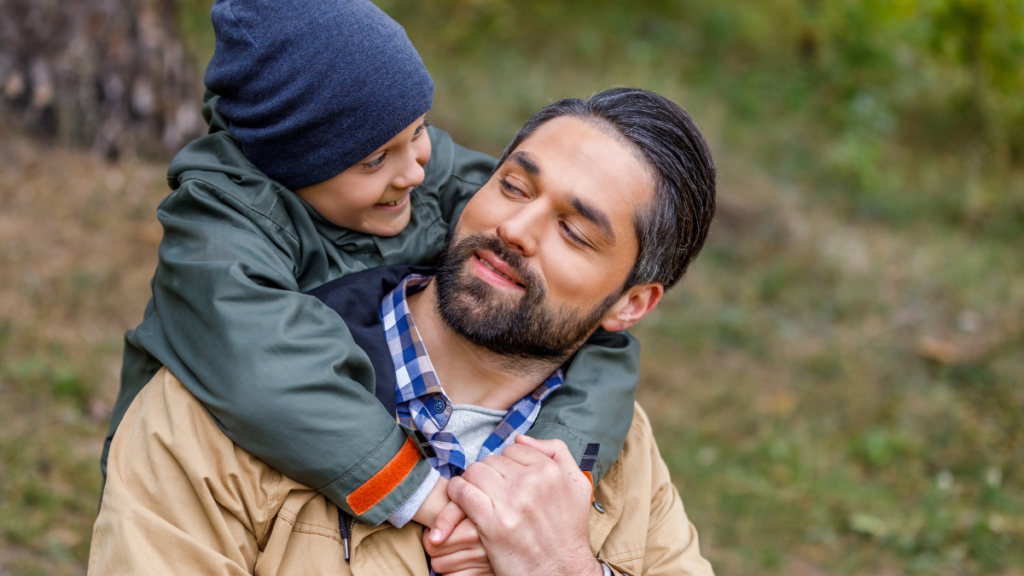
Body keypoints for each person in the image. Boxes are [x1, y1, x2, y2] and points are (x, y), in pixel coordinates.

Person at [89, 87, 718, 576]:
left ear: (630, 305)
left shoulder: (623, 456)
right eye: (512, 186)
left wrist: (561, 564)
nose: (516, 228)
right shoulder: (212, 405)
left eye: (575, 232)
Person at [103, 0, 642, 537]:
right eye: (374, 160)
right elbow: (261, 369)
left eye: (420, 129)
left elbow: (593, 336)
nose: (415, 169)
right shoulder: (218, 231)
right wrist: (427, 497)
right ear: (293, 163)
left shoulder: (419, 170)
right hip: (195, 496)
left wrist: (547, 478)